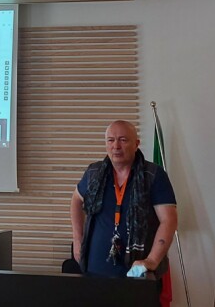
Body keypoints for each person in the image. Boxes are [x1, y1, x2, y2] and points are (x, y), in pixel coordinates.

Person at [70, 120, 177, 292]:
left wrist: (152, 260)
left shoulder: (153, 175)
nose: (116, 146)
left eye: (123, 140)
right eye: (111, 140)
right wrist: (77, 239)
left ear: (136, 144)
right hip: (94, 269)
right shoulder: (94, 173)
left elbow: (169, 220)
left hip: (138, 272)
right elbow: (76, 200)